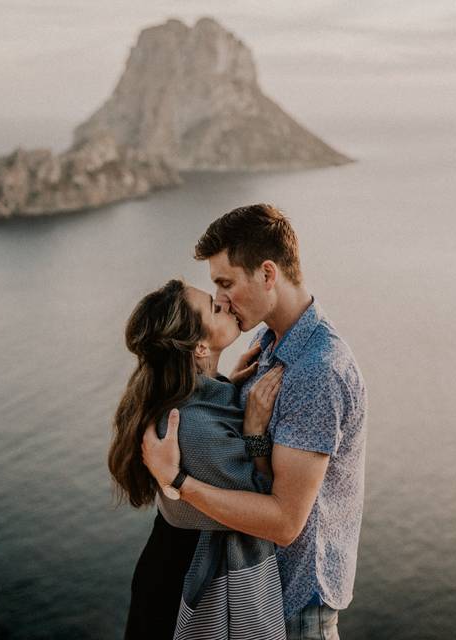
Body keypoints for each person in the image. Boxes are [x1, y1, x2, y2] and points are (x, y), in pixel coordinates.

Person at [143, 204, 367, 639]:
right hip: (257, 601)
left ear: (268, 274)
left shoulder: (318, 371)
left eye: (225, 283)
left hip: (295, 611)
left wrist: (178, 480)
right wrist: (229, 387)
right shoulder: (269, 341)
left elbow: (284, 522)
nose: (221, 300)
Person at [109, 278, 288, 639]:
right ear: (201, 347)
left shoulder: (192, 396)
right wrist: (253, 433)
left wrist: (231, 389)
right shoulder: (189, 427)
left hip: (167, 566)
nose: (225, 301)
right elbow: (264, 502)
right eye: (214, 307)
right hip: (182, 590)